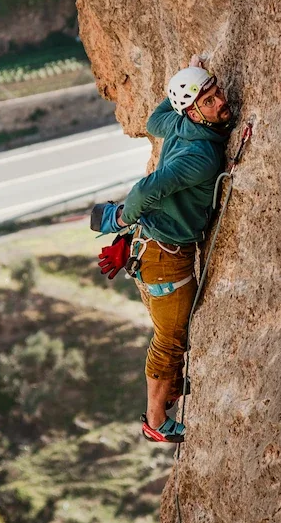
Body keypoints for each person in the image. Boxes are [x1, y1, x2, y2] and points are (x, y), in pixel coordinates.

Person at [94, 57, 233, 443]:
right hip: (166, 258)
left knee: (172, 333)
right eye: (208, 100)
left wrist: (185, 80)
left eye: (216, 91)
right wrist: (122, 217)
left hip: (156, 250)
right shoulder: (200, 157)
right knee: (170, 339)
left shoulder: (179, 122)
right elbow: (144, 190)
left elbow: (156, 120)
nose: (220, 100)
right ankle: (155, 421)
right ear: (193, 111)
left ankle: (169, 388)